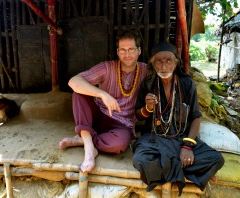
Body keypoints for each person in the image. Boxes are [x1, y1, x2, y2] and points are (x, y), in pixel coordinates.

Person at [133, 42, 224, 195]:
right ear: (152, 64)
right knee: (141, 161)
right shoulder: (147, 84)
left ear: (176, 62)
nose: (163, 66)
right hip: (154, 139)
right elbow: (138, 116)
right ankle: (186, 170)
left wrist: (187, 147)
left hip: (180, 139)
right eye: (159, 61)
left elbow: (196, 117)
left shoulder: (187, 83)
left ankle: (169, 166)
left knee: (216, 159)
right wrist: (147, 108)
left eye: (168, 60)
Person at [59, 29, 147, 173]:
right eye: (123, 50)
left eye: (131, 49)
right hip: (98, 114)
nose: (127, 54)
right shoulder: (107, 67)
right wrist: (102, 94)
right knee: (78, 94)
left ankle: (84, 139)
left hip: (122, 122)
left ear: (139, 51)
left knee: (119, 144)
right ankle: (89, 150)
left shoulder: (145, 70)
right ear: (118, 52)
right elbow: (74, 81)